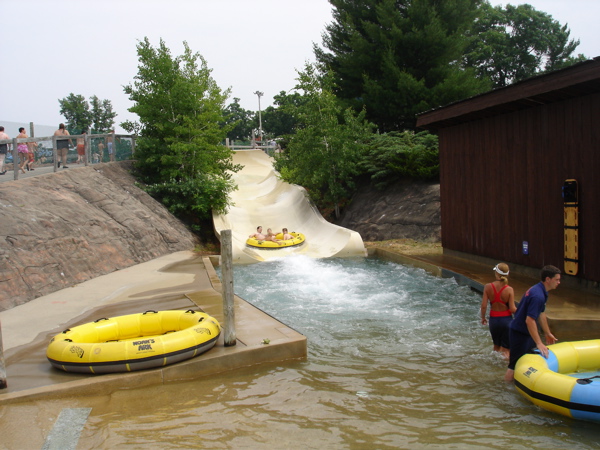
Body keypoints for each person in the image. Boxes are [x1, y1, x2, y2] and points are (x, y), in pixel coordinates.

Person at [504, 265, 561, 382]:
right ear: (548, 279)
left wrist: (547, 333)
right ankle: (505, 389)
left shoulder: (541, 290)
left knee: (528, 360)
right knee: (513, 366)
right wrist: (539, 343)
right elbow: (529, 320)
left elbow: (541, 314)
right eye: (557, 279)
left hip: (526, 333)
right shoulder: (538, 296)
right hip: (519, 333)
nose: (559, 282)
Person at [480, 263, 516, 359]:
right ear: (507, 274)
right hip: (507, 321)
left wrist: (483, 317)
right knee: (506, 350)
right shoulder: (509, 290)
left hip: (494, 321)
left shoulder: (488, 287)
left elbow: (484, 306)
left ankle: (493, 368)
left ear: (496, 273)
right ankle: (505, 371)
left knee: (496, 348)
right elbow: (512, 309)